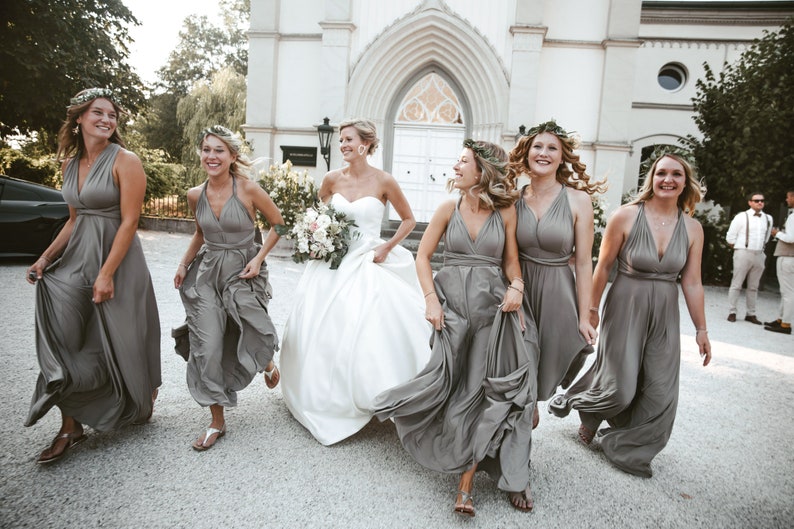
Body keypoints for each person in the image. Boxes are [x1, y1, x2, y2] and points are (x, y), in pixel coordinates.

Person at [373, 140, 537, 515]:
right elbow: (423, 256)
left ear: (483, 170)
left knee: (477, 392)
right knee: (445, 382)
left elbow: (512, 263)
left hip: (493, 311)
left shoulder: (506, 211)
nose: (455, 166)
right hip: (453, 311)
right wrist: (431, 299)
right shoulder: (449, 207)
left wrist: (517, 285)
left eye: (463, 161)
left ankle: (465, 485)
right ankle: (407, 415)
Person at [548, 153, 712, 478]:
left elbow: (692, 282)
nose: (668, 179)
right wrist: (590, 310)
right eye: (661, 173)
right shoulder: (625, 217)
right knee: (620, 386)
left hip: (666, 311)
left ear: (686, 182)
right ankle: (588, 410)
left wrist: (701, 329)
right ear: (651, 178)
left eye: (676, 174)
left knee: (661, 390)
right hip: (626, 303)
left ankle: (630, 447)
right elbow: (603, 267)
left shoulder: (693, 228)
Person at [24, 88, 161, 464]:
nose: (106, 119)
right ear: (80, 118)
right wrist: (45, 258)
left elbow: (130, 221)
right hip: (77, 259)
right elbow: (74, 219)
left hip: (118, 260)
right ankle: (71, 423)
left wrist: (106, 274)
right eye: (97, 112)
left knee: (118, 337)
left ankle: (127, 400)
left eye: (112, 115)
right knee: (64, 338)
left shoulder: (126, 160)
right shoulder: (69, 165)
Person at [279, 118, 432, 446]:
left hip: (368, 259)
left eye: (348, 140)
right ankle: (322, 394)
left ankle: (374, 392)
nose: (343, 145)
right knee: (320, 326)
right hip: (331, 263)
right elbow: (316, 216)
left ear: (365, 144)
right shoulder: (332, 179)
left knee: (367, 324)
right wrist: (316, 239)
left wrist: (387, 247)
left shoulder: (384, 181)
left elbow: (409, 220)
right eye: (341, 140)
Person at [173, 125, 284, 451]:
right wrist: (183, 264)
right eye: (207, 149)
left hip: (243, 272)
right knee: (207, 344)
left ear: (232, 156)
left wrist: (259, 259)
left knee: (253, 327)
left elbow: (278, 224)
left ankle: (265, 361)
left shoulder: (249, 190)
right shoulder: (196, 194)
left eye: (219, 150)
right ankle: (216, 421)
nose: (211, 156)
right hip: (206, 274)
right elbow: (199, 233)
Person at [507, 120, 606, 429]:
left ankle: (529, 410)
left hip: (556, 293)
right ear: (526, 152)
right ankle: (522, 416)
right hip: (518, 288)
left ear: (563, 157)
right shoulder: (512, 198)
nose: (544, 153)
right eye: (538, 146)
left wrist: (584, 314)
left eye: (552, 148)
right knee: (516, 357)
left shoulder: (579, 201)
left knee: (545, 359)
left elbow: (584, 262)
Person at [725, 191, 773, 324]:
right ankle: (732, 311)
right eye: (757, 200)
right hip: (743, 252)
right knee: (736, 284)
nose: (760, 203)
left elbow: (767, 237)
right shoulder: (742, 216)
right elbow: (730, 236)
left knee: (753, 286)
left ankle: (751, 313)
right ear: (750, 202)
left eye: (762, 200)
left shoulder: (768, 218)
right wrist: (740, 248)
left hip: (759, 254)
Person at [765, 189, 794, 335]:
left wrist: (777, 233)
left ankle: (786, 324)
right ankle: (781, 318)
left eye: (788, 197)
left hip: (788, 257)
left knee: (788, 292)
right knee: (788, 291)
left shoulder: (793, 217)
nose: (787, 200)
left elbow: (791, 238)